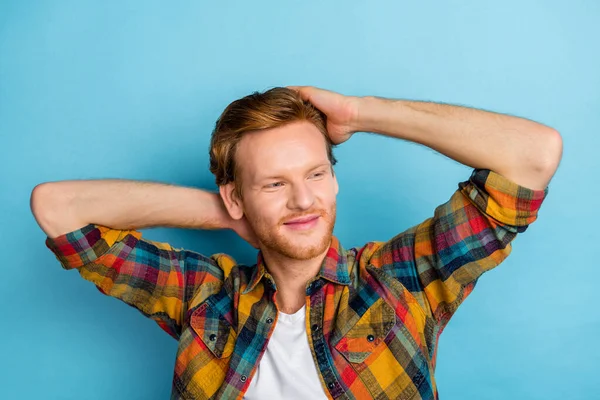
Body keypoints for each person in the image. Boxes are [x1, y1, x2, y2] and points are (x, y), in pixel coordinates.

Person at [31, 86, 562, 400]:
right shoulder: (203, 297)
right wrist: (230, 213)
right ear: (236, 197)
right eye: (275, 183)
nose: (305, 201)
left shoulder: (399, 281)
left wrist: (358, 114)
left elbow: (534, 155)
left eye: (315, 174)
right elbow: (58, 209)